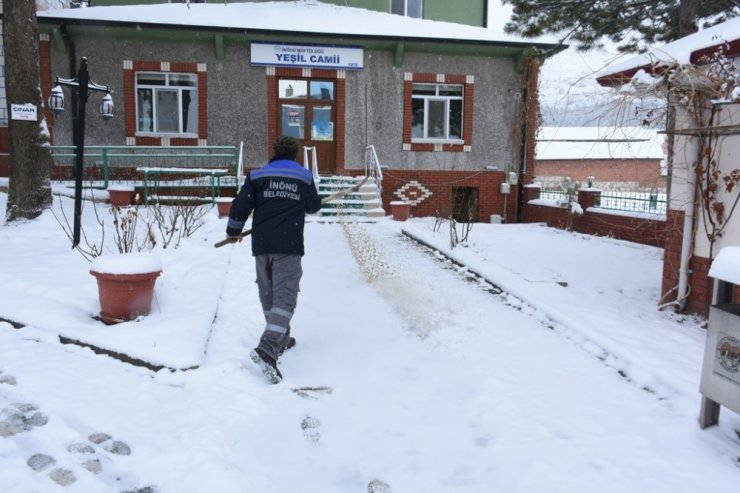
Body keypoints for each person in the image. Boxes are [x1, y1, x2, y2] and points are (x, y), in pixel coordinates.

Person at [226, 136, 322, 383]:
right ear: (295, 154)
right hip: (288, 246)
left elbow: (240, 205)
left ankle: (281, 336)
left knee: (268, 293)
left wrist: (234, 231)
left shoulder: (258, 175)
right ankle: (268, 348)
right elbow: (313, 206)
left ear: (275, 151)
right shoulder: (303, 176)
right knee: (284, 297)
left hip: (262, 244)